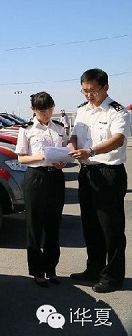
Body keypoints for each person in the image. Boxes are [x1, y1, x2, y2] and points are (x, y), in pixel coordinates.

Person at [68, 68, 130, 293]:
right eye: (84, 91)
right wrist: (71, 148)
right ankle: (94, 269)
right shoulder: (82, 110)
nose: (88, 95)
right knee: (90, 225)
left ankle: (112, 276)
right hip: (87, 173)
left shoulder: (117, 111)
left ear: (105, 87)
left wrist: (91, 151)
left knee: (111, 227)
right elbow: (75, 136)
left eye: (93, 90)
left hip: (108, 174)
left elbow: (118, 139)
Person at [15, 92, 67, 287]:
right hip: (36, 177)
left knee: (53, 224)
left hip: (56, 177)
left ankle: (51, 268)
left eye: (50, 110)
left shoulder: (59, 128)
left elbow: (65, 151)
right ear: (33, 110)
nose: (47, 114)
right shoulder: (26, 129)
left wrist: (62, 161)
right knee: (34, 225)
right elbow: (21, 158)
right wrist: (41, 157)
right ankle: (38, 272)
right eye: (42, 111)